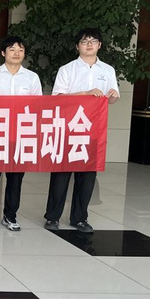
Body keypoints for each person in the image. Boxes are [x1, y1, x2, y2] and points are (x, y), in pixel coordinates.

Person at [44, 29, 120, 233]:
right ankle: (52, 217)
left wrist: (113, 95)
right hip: (68, 128)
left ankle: (79, 218)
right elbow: (57, 98)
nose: (89, 44)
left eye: (93, 41)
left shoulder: (108, 70)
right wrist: (85, 93)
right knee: (61, 175)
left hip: (93, 130)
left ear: (100, 45)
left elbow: (112, 99)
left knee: (87, 176)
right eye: (84, 41)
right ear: (77, 46)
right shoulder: (67, 69)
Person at [0, 35, 43, 231]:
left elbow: (37, 106)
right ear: (3, 52)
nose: (17, 53)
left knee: (16, 178)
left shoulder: (32, 77)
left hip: (21, 135)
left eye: (20, 50)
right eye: (12, 49)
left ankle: (10, 215)